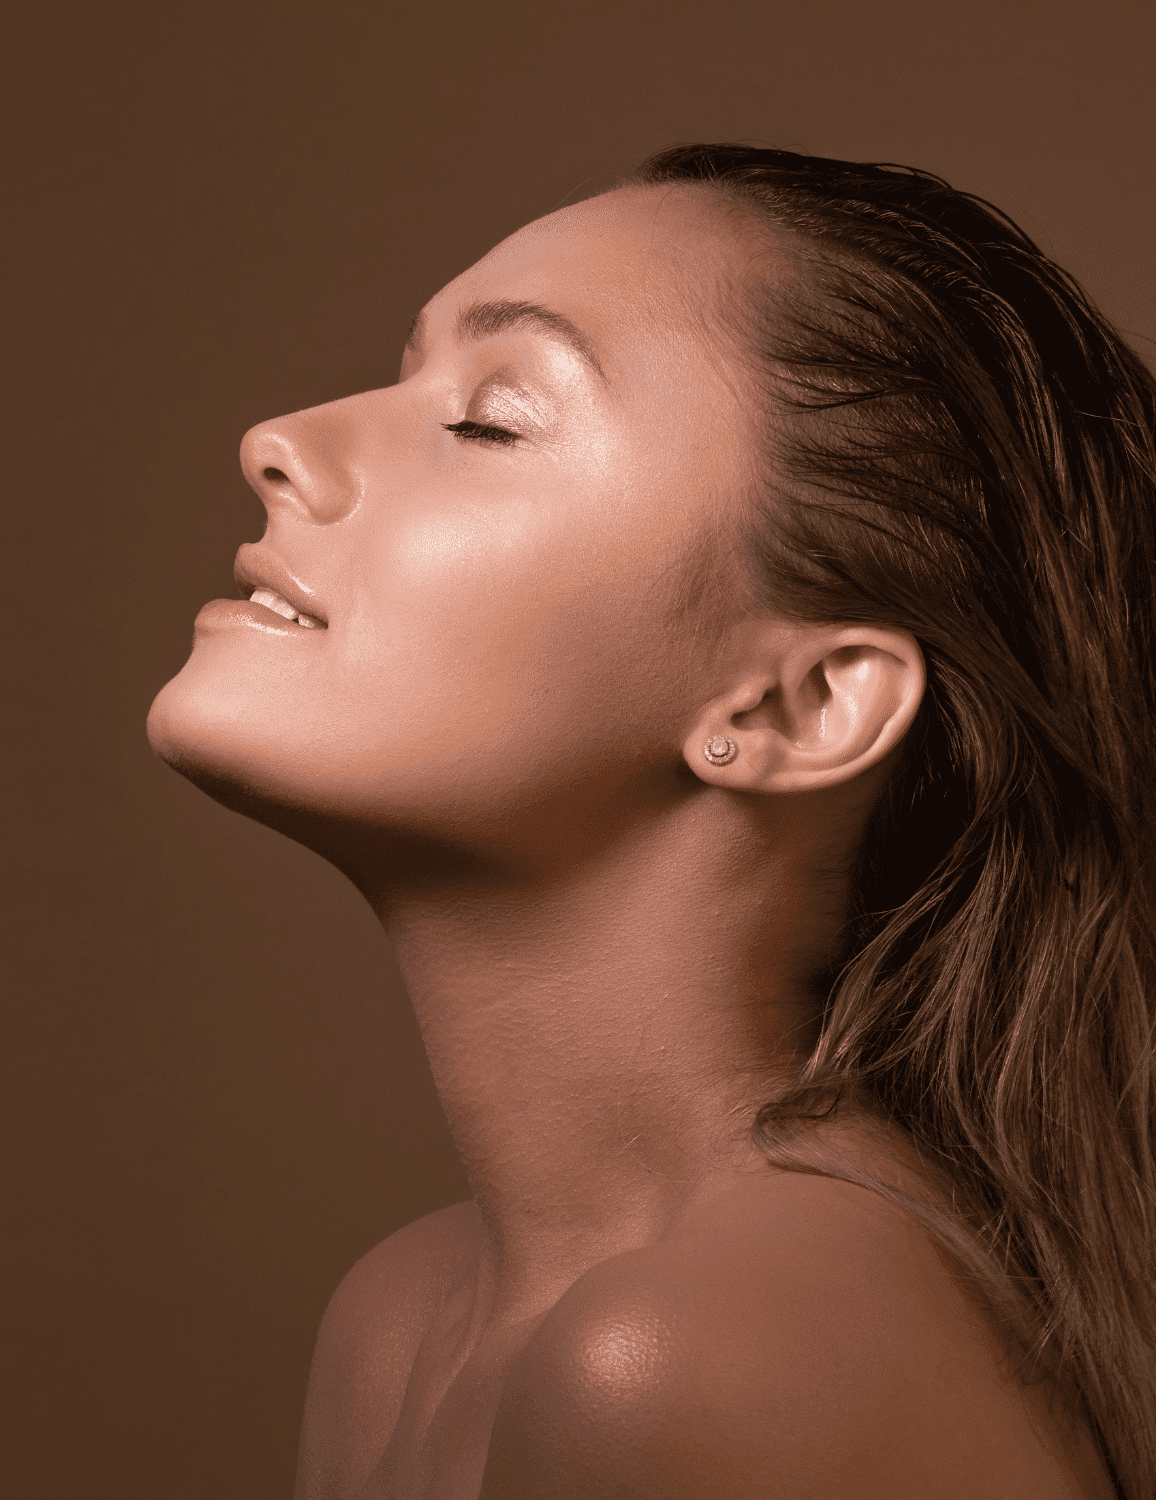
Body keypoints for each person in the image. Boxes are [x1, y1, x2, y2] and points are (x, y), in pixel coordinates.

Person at [148, 145, 1155, 1499]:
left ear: (803, 703)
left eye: (491, 421)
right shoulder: (397, 1329)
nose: (280, 441)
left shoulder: (698, 1362)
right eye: (408, 375)